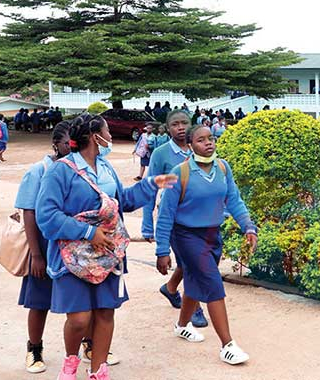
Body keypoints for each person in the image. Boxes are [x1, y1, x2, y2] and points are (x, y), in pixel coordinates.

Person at [36, 113, 175, 380]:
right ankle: (70, 365)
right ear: (93, 136)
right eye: (107, 131)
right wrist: (88, 232)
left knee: (104, 313)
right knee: (78, 319)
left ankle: (99, 372)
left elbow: (122, 201)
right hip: (72, 256)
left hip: (108, 254)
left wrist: (152, 184)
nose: (110, 136)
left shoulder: (106, 168)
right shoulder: (60, 170)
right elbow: (47, 216)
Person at [155, 124, 258, 365]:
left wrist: (248, 226)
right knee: (212, 284)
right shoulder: (178, 173)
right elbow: (165, 215)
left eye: (211, 138)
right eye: (201, 140)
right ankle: (227, 345)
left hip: (213, 234)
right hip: (186, 236)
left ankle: (181, 325)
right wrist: (162, 250)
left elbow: (233, 199)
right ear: (190, 145)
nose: (209, 143)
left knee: (194, 282)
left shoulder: (223, 167)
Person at [143, 111, 209, 325]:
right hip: (173, 219)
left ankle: (170, 288)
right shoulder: (161, 154)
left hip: (199, 218)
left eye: (184, 123)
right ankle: (195, 308)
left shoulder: (201, 148)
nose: (180, 127)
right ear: (167, 128)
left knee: (188, 261)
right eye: (175, 124)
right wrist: (147, 225)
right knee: (192, 262)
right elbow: (150, 189)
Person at [15, 121, 71, 374]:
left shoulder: (79, 168)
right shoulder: (39, 170)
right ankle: (34, 348)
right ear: (55, 144)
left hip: (74, 245)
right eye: (67, 143)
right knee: (39, 301)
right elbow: (28, 211)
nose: (72, 147)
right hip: (45, 245)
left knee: (81, 300)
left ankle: (89, 343)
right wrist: (36, 254)